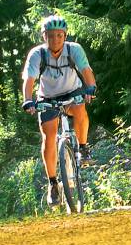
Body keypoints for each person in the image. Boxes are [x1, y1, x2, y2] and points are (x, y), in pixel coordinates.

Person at [22, 14, 96, 206]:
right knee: (49, 137)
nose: (55, 39)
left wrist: (90, 88)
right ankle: (53, 183)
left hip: (72, 91)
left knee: (80, 109)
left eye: (59, 35)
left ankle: (83, 147)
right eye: (50, 35)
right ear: (44, 37)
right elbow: (29, 80)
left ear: (65, 36)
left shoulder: (74, 50)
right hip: (48, 97)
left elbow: (86, 71)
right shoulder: (37, 54)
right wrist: (28, 100)